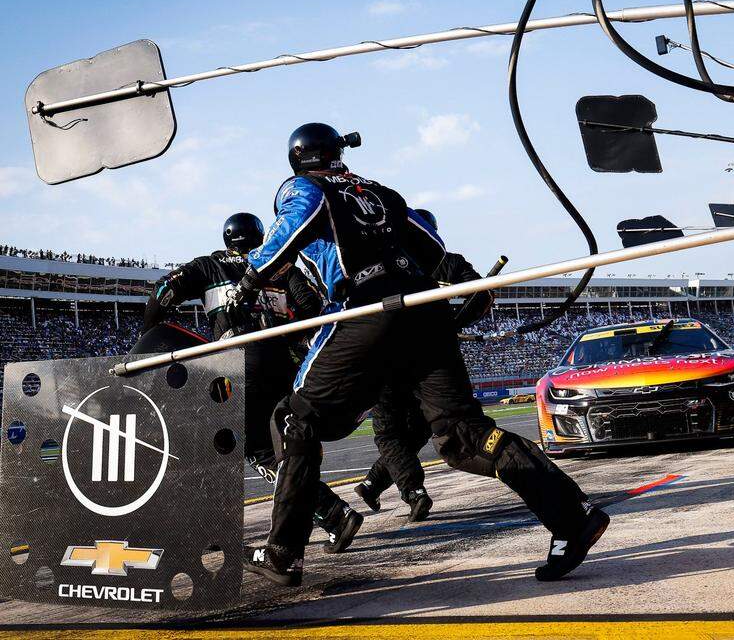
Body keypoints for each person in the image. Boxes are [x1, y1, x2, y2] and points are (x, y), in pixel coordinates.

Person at [235, 123, 607, 586]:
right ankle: (573, 517)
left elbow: (284, 239)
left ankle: (283, 554)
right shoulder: (382, 193)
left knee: (297, 419)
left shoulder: (304, 187)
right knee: (464, 437)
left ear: (296, 160)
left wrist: (246, 286)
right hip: (425, 313)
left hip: (367, 311)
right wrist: (471, 284)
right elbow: (432, 248)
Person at [140, 212, 364, 554]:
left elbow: (164, 291)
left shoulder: (208, 265)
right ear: (260, 236)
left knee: (254, 450)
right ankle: (332, 516)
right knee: (286, 448)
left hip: (237, 366)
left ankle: (333, 515)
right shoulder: (279, 264)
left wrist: (150, 332)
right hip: (284, 365)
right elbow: (313, 309)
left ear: (227, 238)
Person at [354, 208, 495, 522]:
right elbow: (482, 296)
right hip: (428, 355)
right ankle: (382, 485)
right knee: (415, 426)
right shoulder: (450, 261)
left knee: (393, 431)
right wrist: (456, 321)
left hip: (388, 353)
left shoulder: (379, 263)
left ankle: (398, 488)